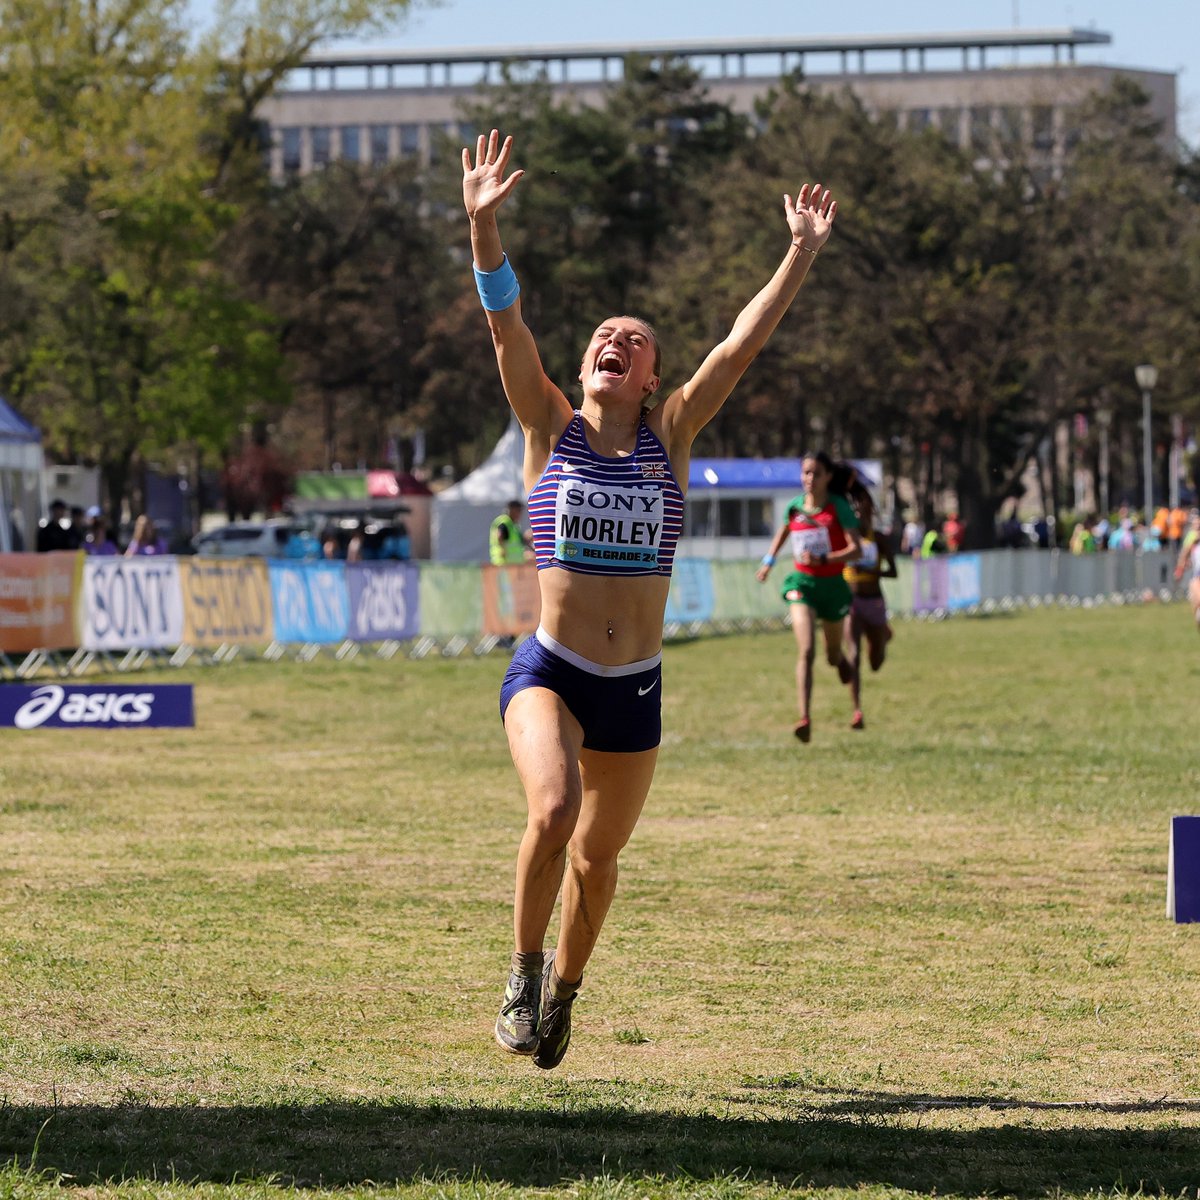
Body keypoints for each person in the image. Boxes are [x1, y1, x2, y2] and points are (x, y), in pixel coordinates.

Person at [463, 128, 836, 1069]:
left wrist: (797, 253)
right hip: (549, 666)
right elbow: (508, 327)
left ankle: (566, 993)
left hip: (634, 687)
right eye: (602, 336)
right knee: (552, 811)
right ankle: (521, 967)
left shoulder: (672, 429)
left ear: (653, 375)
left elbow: (739, 347)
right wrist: (483, 233)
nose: (612, 343)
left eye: (632, 341)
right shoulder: (547, 423)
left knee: (596, 859)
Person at [755, 452, 862, 742]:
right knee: (806, 650)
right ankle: (804, 717)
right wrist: (768, 561)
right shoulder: (794, 507)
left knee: (830, 654)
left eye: (815, 473)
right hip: (802, 583)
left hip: (833, 587)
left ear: (828, 476)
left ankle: (839, 659)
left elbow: (857, 550)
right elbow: (783, 533)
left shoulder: (838, 507)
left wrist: (824, 558)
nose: (809, 479)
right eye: (805, 473)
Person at [841, 485, 897, 730]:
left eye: (862, 508)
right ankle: (857, 711)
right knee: (853, 655)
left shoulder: (879, 539)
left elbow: (893, 571)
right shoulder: (842, 538)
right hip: (850, 602)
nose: (858, 513)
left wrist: (873, 570)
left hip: (874, 601)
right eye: (853, 508)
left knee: (875, 662)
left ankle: (883, 635)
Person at [1174, 515, 1200, 633]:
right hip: (1197, 574)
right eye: (1195, 525)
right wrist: (1180, 569)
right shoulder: (1192, 538)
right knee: (1197, 603)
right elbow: (1184, 554)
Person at [490, 500, 533, 565]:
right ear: (512, 510)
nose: (520, 514)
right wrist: (503, 550)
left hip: (511, 562)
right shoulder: (505, 522)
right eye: (519, 510)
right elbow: (499, 535)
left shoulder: (513, 525)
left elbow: (519, 541)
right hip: (503, 562)